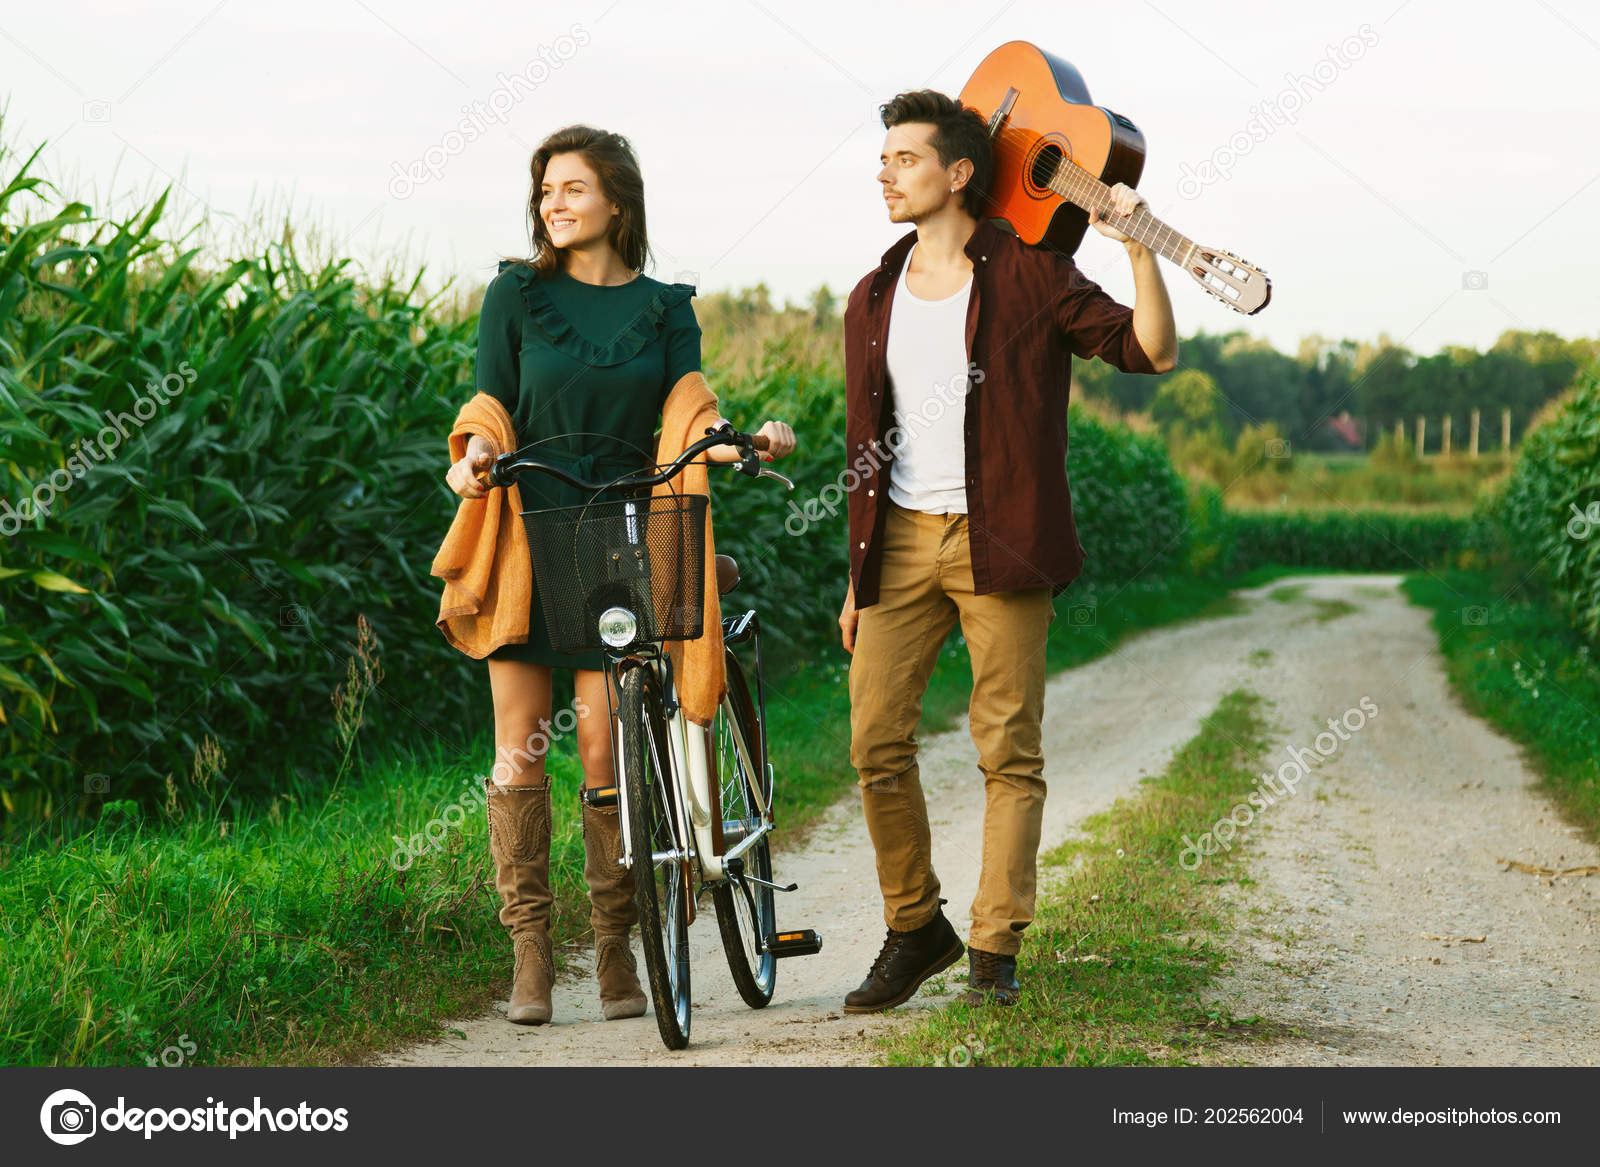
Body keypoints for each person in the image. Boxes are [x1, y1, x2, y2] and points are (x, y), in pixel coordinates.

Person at [442, 124, 795, 1025]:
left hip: (623, 539)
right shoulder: (515, 296)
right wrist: (474, 453)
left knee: (605, 751)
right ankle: (529, 958)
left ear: (618, 202)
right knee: (519, 748)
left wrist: (743, 437)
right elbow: (491, 401)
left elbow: (689, 407)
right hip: (529, 531)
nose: (553, 205)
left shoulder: (666, 306)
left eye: (571, 189)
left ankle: (613, 951)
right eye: (546, 191)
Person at [837, 90, 1176, 1012]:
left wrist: (1137, 248)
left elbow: (1148, 350)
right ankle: (917, 928)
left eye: (903, 158)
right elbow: (868, 447)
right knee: (874, 742)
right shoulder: (871, 296)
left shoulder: (1032, 272)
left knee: (1008, 753)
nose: (884, 172)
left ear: (958, 174)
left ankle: (993, 948)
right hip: (900, 542)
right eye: (883, 159)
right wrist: (856, 575)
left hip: (1004, 540)